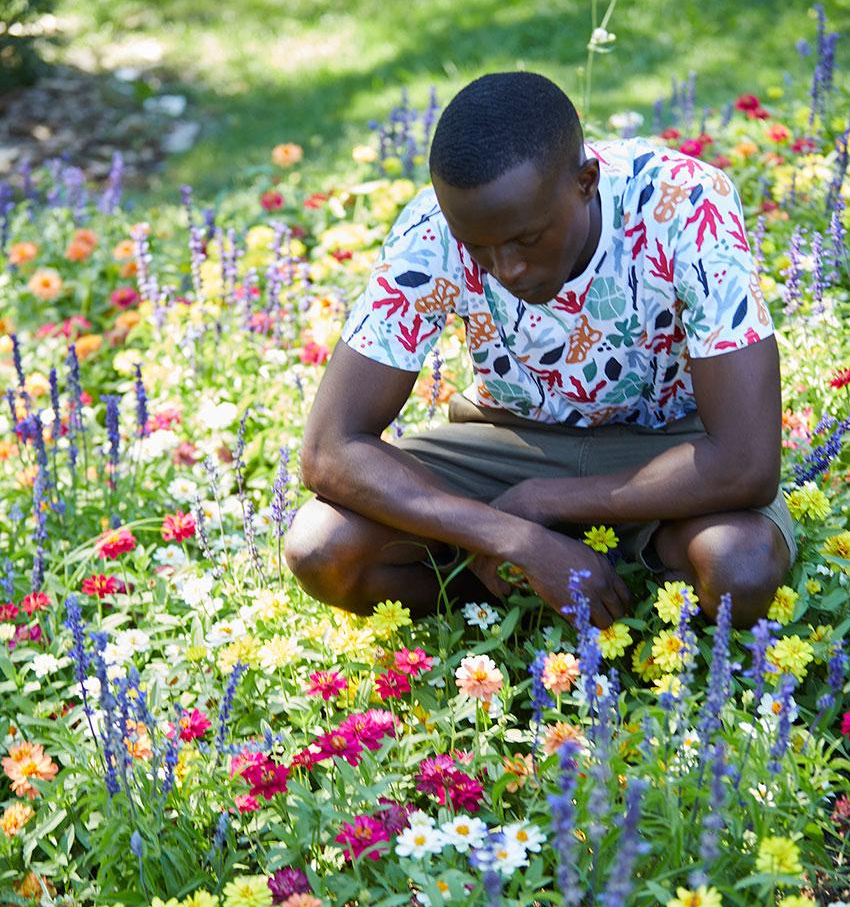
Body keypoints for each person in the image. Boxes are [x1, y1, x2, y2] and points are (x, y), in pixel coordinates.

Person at [285, 71, 795, 628]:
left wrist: (543, 502)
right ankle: (511, 597)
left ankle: (618, 598)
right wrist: (513, 537)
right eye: (477, 248)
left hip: (669, 447)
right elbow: (329, 449)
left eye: (526, 239)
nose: (506, 269)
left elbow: (746, 462)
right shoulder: (430, 232)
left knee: (738, 566)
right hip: (511, 441)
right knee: (323, 548)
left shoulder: (685, 202)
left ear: (585, 182)